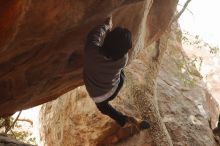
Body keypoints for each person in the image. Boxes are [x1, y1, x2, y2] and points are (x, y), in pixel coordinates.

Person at [83, 16, 150, 130]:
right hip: (115, 88)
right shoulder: (123, 59)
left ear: (107, 38)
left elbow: (95, 34)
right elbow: (121, 49)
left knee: (103, 107)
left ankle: (122, 120)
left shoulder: (91, 51)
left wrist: (106, 26)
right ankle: (126, 120)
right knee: (120, 75)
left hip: (98, 96)